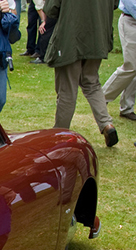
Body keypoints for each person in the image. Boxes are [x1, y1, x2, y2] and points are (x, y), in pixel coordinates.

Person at [43, 0, 119, 146]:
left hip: (71, 38)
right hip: (97, 36)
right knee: (92, 82)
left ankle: (60, 135)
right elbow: (114, 4)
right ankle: (106, 124)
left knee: (67, 89)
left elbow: (51, 8)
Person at [103, 0, 136, 121]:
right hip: (131, 21)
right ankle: (101, 99)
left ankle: (127, 107)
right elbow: (131, 4)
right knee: (131, 66)